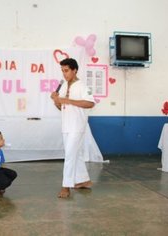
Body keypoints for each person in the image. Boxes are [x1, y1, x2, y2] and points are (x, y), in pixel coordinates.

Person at [50, 58, 95, 198]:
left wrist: (67, 100)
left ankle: (66, 186)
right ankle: (83, 181)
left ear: (74, 70)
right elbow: (61, 108)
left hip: (77, 126)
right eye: (62, 71)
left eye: (66, 70)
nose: (64, 74)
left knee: (69, 155)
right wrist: (56, 101)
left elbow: (90, 103)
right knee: (75, 154)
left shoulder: (82, 86)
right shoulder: (63, 86)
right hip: (66, 125)